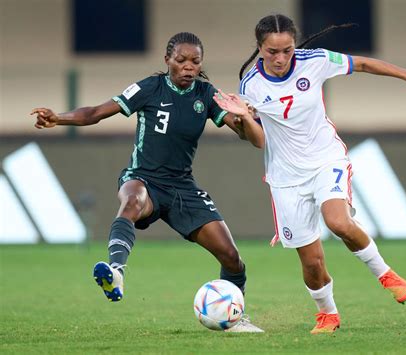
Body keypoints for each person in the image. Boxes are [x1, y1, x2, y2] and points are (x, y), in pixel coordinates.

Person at [213, 14, 406, 334]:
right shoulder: (250, 84)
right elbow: (258, 140)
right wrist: (243, 120)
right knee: (312, 262)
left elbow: (361, 64)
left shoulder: (315, 60)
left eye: (287, 50)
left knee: (338, 221)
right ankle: (328, 314)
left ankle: (385, 273)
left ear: (294, 45)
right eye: (272, 52)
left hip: (325, 160)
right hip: (285, 177)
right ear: (259, 48)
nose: (280, 58)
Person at [31, 32, 264, 333]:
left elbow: (254, 139)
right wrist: (58, 118)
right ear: (168, 60)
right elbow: (96, 113)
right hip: (144, 178)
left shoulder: (207, 95)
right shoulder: (149, 88)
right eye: (181, 60)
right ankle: (116, 272)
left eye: (195, 61)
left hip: (182, 188)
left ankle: (234, 318)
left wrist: (245, 116)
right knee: (132, 202)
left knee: (232, 258)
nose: (188, 67)